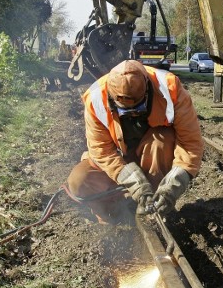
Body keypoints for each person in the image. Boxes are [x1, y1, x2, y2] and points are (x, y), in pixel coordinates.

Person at [67, 60, 204, 224]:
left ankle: (154, 205)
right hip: (117, 156)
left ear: (147, 89)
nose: (132, 115)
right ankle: (112, 216)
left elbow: (190, 143)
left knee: (162, 140)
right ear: (111, 97)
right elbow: (100, 150)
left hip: (152, 155)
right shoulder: (96, 97)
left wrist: (174, 184)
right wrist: (133, 181)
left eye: (138, 109)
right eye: (124, 111)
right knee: (79, 180)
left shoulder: (170, 88)